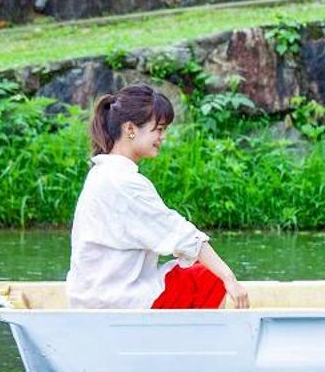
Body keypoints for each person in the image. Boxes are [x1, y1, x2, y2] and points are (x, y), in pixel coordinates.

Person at [68, 84, 250, 311]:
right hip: (117, 302)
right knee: (207, 276)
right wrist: (229, 279)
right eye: (159, 129)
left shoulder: (102, 173)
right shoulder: (124, 182)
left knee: (197, 269)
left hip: (96, 297)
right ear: (131, 129)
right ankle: (201, 345)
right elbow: (181, 235)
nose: (162, 137)